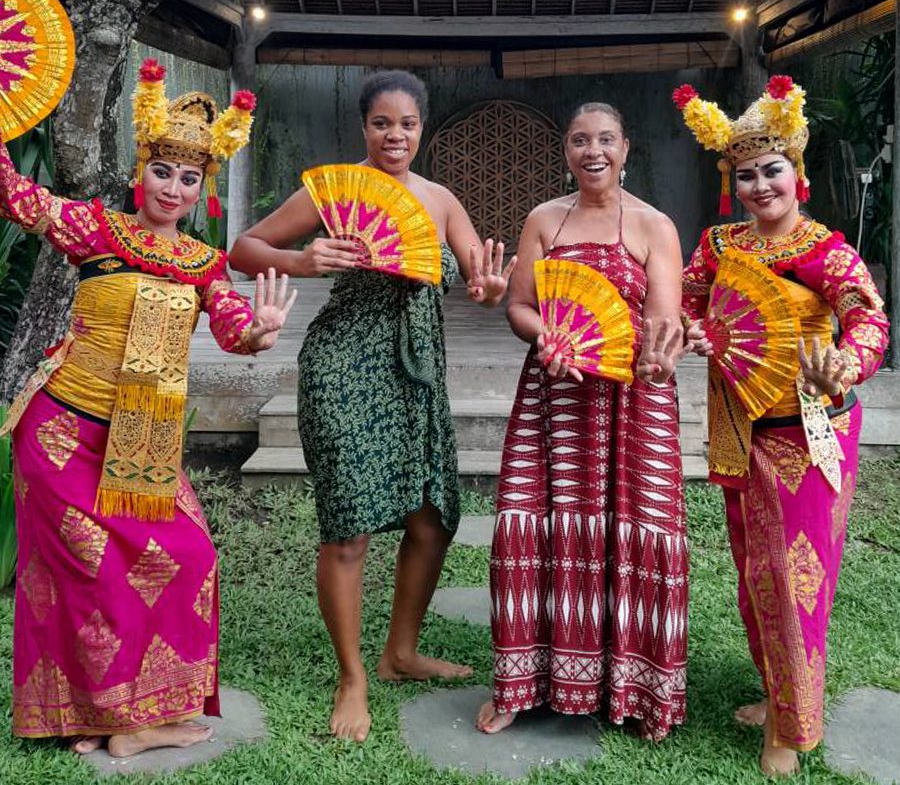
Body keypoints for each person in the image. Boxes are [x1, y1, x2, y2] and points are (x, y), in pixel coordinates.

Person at [2, 59, 295, 759]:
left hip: (145, 441)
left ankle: (141, 709)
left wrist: (259, 331)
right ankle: (117, 723)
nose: (174, 188)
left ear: (203, 189)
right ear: (145, 169)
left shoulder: (202, 262)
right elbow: (19, 197)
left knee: (189, 557)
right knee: (89, 573)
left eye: (189, 179)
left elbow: (231, 327)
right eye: (164, 171)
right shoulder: (96, 229)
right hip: (62, 430)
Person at [229, 69, 515, 744]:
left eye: (407, 124)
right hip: (343, 365)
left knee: (432, 517)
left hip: (416, 372)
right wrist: (305, 261)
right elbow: (244, 249)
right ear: (365, 127)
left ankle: (401, 652)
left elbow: (481, 276)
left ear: (422, 129)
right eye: (383, 123)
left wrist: (489, 288)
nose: (396, 135)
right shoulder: (332, 191)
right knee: (350, 526)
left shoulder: (440, 200)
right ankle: (353, 675)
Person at [675, 75, 888, 777]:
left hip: (810, 424)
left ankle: (790, 732)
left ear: (795, 175)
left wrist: (845, 366)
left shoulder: (825, 250)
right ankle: (778, 694)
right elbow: (682, 301)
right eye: (746, 175)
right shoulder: (721, 244)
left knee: (797, 578)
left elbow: (869, 320)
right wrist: (696, 330)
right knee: (752, 575)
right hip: (743, 427)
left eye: (772, 170)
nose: (760, 185)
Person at [475, 101, 687, 741]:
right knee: (535, 521)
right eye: (578, 140)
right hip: (554, 401)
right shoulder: (545, 220)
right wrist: (547, 337)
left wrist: (656, 357)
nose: (593, 151)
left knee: (634, 531)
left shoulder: (655, 226)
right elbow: (519, 306)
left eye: (605, 140)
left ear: (626, 148)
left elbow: (663, 321)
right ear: (565, 152)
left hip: (633, 401)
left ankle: (633, 688)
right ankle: (521, 682)